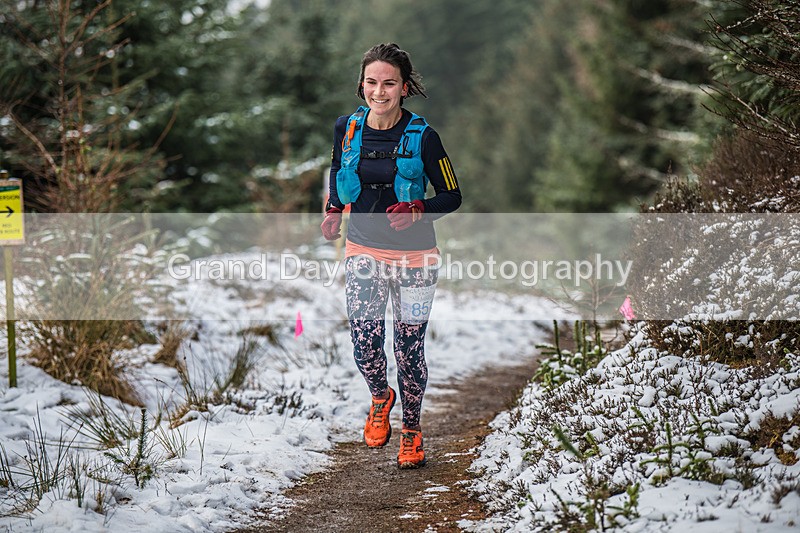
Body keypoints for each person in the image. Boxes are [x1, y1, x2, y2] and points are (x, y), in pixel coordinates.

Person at [320, 43, 462, 469]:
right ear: (361, 84)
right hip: (362, 248)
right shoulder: (346, 128)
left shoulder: (424, 136)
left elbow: (452, 196)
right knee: (364, 343)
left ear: (404, 88)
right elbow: (336, 169)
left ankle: (412, 432)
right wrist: (332, 209)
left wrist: (418, 208)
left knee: (408, 349)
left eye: (389, 84)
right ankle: (381, 397)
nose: (378, 92)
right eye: (371, 82)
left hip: (415, 258)